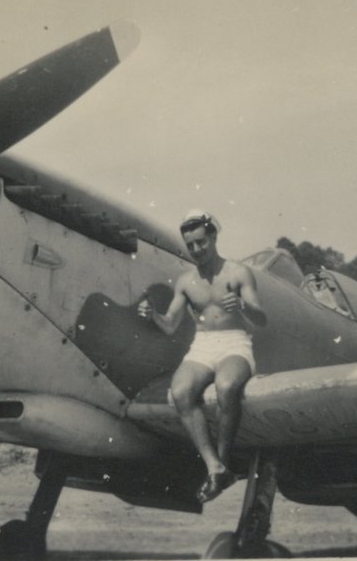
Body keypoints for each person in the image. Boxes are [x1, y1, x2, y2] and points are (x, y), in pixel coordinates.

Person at [138, 209, 266, 503]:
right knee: (180, 392)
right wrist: (152, 315)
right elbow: (170, 325)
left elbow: (261, 320)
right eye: (191, 245)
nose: (196, 250)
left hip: (235, 343)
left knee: (227, 387)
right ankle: (214, 467)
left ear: (213, 237)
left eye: (201, 242)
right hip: (203, 345)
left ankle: (224, 459)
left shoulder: (238, 273)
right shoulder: (185, 281)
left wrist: (243, 307)